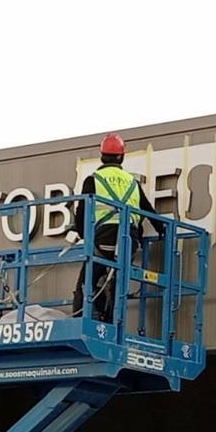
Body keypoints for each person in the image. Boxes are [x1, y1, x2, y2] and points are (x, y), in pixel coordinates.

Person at [69, 133, 163, 322]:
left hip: (103, 240)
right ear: (121, 157)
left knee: (87, 282)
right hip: (128, 241)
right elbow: (148, 210)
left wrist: (82, 234)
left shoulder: (93, 180)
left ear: (102, 155)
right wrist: (162, 230)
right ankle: (112, 321)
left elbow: (82, 212)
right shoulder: (132, 182)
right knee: (117, 283)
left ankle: (80, 320)